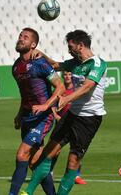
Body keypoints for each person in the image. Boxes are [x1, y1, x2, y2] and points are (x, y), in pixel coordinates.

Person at [22, 29, 107, 195]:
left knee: (73, 161)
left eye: (71, 46)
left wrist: (67, 99)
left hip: (89, 119)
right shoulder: (74, 62)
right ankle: (27, 192)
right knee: (49, 151)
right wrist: (42, 55)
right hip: (72, 115)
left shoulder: (98, 63)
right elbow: (55, 65)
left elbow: (87, 86)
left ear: (81, 45)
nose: (69, 50)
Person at [9, 27, 65, 195]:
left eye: (25, 37)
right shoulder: (16, 67)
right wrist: (20, 114)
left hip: (42, 117)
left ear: (33, 44)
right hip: (27, 117)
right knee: (34, 163)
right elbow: (25, 94)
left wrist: (46, 106)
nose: (20, 39)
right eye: (20, 36)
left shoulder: (40, 64)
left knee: (21, 155)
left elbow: (60, 86)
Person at [51, 71, 87, 185]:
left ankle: (76, 175)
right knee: (55, 151)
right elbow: (52, 105)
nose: (67, 77)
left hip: (76, 123)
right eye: (65, 74)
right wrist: (56, 116)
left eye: (69, 74)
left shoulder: (77, 89)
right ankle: (49, 172)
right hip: (61, 123)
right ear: (63, 76)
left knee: (77, 149)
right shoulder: (60, 89)